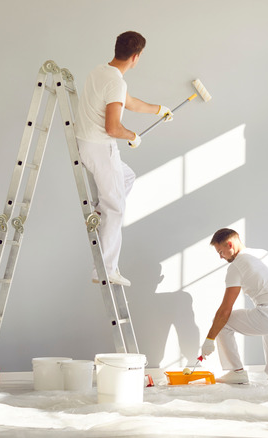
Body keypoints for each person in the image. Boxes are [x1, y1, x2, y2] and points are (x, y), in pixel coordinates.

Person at [75, 31, 172, 287]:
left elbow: (128, 102)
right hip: (100, 148)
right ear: (136, 57)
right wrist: (132, 136)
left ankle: (99, 211)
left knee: (127, 177)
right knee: (115, 209)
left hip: (87, 144)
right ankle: (105, 270)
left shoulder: (100, 72)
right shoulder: (116, 82)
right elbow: (112, 128)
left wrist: (159, 110)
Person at [200, 228, 268, 385]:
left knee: (221, 322)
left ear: (230, 244)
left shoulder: (236, 266)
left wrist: (209, 339)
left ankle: (237, 372)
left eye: (221, 252)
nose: (220, 257)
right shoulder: (267, 255)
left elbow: (225, 311)